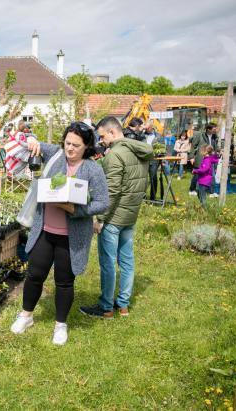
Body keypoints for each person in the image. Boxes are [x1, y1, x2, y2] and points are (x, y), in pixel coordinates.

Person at [10, 122, 110, 345]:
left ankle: (60, 325)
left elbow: (103, 202)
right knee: (35, 275)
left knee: (64, 281)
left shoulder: (93, 169)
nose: (70, 148)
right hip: (44, 231)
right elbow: (27, 142)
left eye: (76, 145)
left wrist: (77, 210)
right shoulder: (55, 155)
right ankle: (26, 316)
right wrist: (32, 139)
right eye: (67, 143)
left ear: (87, 146)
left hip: (71, 237)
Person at [80, 116, 152, 319]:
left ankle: (105, 308)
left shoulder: (115, 155)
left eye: (102, 136)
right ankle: (123, 305)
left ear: (112, 132)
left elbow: (111, 191)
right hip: (130, 214)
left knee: (108, 263)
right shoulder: (137, 151)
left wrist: (100, 219)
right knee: (127, 261)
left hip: (113, 218)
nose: (101, 140)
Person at [188, 123, 218, 196]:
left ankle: (211, 192)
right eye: (214, 129)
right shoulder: (200, 135)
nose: (216, 130)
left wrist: (216, 158)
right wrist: (191, 157)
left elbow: (215, 148)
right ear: (208, 129)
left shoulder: (215, 137)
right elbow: (193, 146)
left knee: (212, 175)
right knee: (197, 175)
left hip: (210, 159)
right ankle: (192, 189)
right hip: (201, 158)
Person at [143, 123, 162, 201]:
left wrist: (158, 153)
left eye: (147, 128)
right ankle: (142, 197)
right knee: (143, 179)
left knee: (153, 178)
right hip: (143, 159)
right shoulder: (142, 135)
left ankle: (152, 198)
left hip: (154, 160)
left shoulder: (158, 136)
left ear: (151, 127)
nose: (146, 129)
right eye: (145, 128)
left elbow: (162, 147)